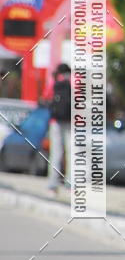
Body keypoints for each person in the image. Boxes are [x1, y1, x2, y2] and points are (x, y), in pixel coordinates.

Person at [47, 63, 72, 194]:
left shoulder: (54, 82)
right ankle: (70, 184)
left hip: (55, 121)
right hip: (70, 121)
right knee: (71, 153)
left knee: (55, 153)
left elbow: (46, 98)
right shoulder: (74, 82)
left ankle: (52, 184)